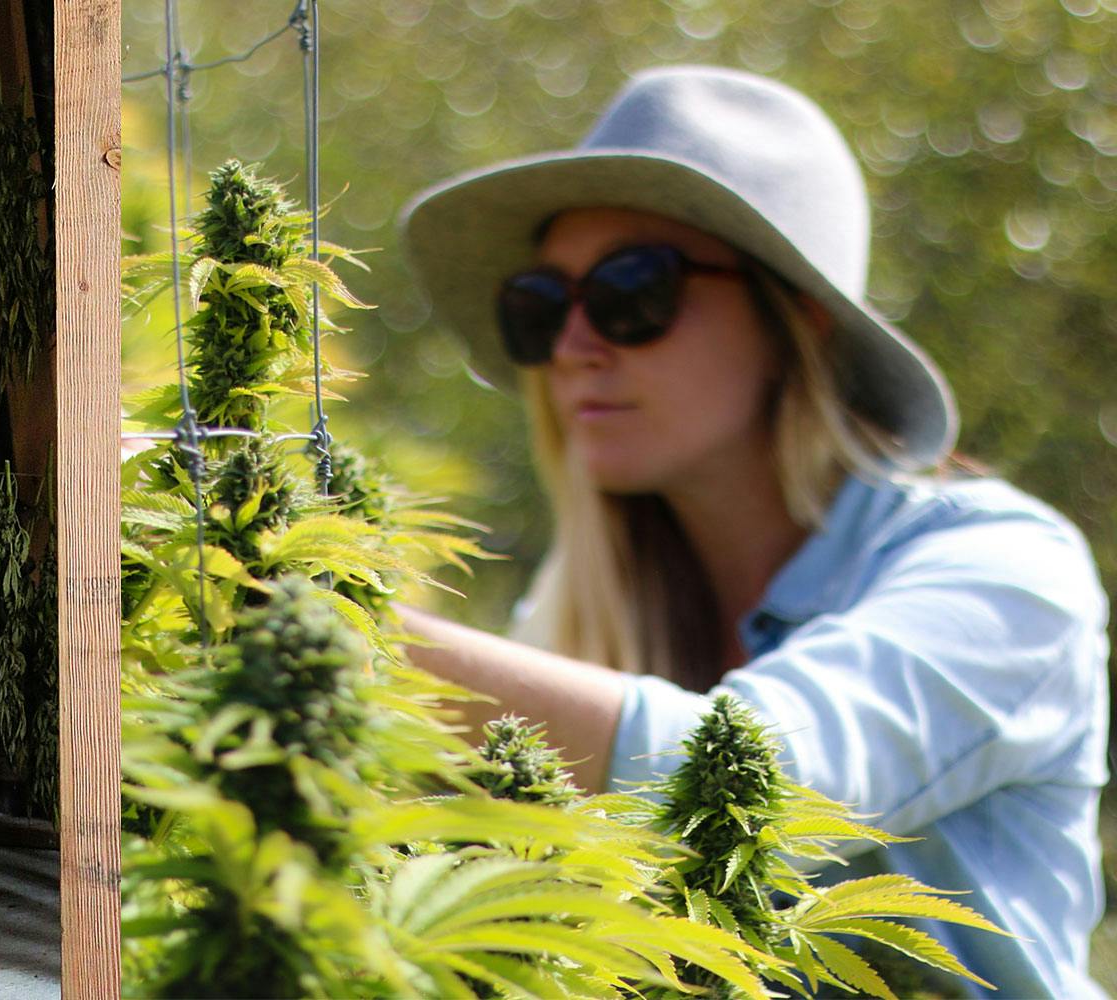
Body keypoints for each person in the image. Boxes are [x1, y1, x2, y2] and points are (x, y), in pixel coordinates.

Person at [396, 65, 1109, 997]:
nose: (572, 347)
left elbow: (761, 784)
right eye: (540, 305)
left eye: (631, 291)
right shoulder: (580, 612)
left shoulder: (1007, 570)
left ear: (794, 317)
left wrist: (348, 637)